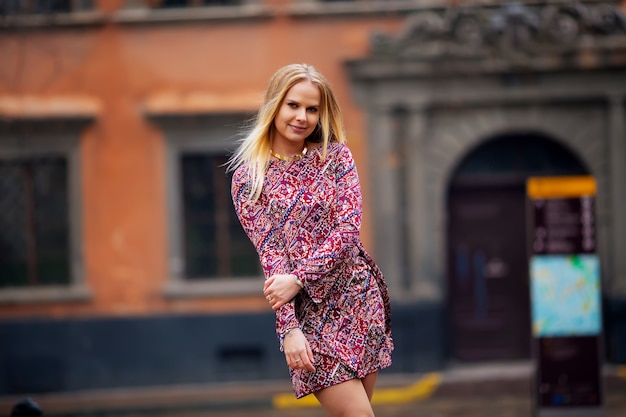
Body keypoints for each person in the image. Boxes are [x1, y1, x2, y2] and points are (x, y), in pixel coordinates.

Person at [229, 63, 393, 417]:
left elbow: (348, 229)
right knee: (359, 415)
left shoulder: (335, 158)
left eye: (312, 109)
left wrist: (298, 277)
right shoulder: (249, 179)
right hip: (309, 314)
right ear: (275, 105)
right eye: (293, 105)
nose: (302, 117)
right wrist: (288, 329)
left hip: (358, 299)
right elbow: (272, 257)